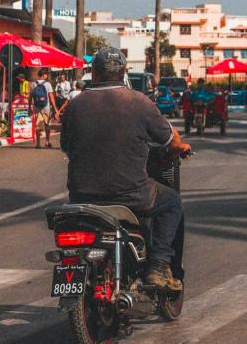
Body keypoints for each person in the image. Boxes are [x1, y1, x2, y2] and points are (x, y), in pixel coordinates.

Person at [61, 47, 191, 291]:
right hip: (131, 195)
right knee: (172, 203)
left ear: (94, 73)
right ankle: (159, 265)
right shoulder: (139, 102)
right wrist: (180, 145)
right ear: (123, 73)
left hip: (82, 196)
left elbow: (66, 147)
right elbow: (169, 138)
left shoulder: (75, 106)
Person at [29, 69, 57, 149]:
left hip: (37, 107)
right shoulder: (47, 84)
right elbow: (51, 97)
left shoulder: (33, 84)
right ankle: (47, 142)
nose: (47, 76)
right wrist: (55, 108)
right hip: (46, 107)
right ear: (44, 75)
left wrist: (29, 107)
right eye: (46, 74)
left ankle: (38, 143)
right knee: (47, 124)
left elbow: (30, 97)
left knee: (37, 125)